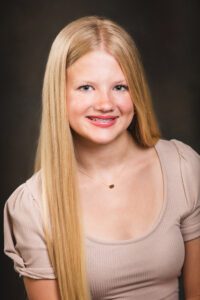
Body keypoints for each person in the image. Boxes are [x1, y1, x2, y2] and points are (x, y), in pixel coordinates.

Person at [3, 15, 200, 300]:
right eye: (86, 87)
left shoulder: (183, 167)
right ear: (59, 95)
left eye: (120, 87)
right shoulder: (32, 205)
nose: (105, 104)